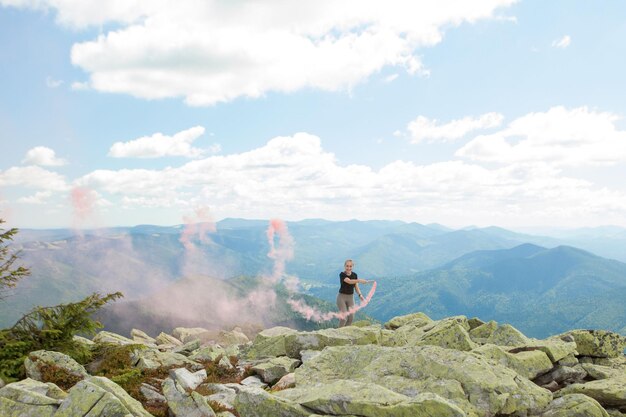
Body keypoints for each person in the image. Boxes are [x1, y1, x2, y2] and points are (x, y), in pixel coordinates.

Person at [337, 259, 373, 327]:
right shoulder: (342, 274)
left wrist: (360, 295)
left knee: (351, 318)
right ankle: (338, 334)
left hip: (350, 298)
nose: (349, 268)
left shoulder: (354, 275)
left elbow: (356, 287)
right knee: (344, 318)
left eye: (350, 266)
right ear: (344, 266)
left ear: (353, 266)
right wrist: (359, 280)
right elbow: (349, 281)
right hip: (341, 298)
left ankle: (345, 333)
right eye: (347, 266)